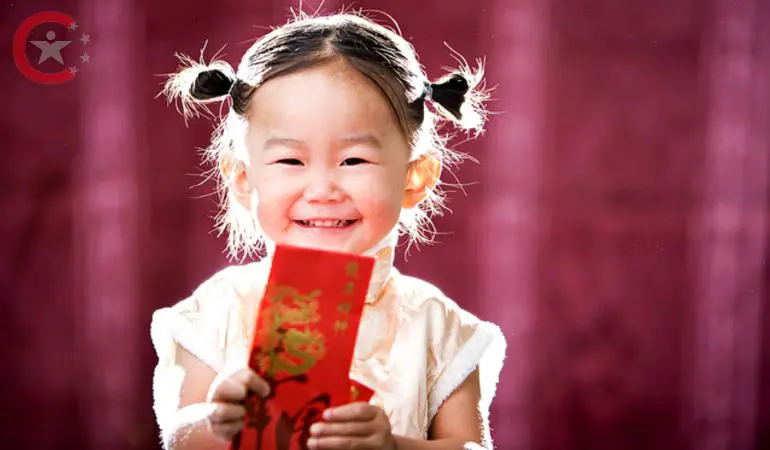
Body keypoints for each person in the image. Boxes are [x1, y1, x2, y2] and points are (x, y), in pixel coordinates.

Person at [150, 11, 506, 450]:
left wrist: (395, 446)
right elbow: (177, 437)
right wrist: (218, 420)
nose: (322, 190)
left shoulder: (437, 326)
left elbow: (471, 447)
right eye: (290, 161)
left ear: (415, 178)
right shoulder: (219, 310)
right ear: (243, 179)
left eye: (354, 160)